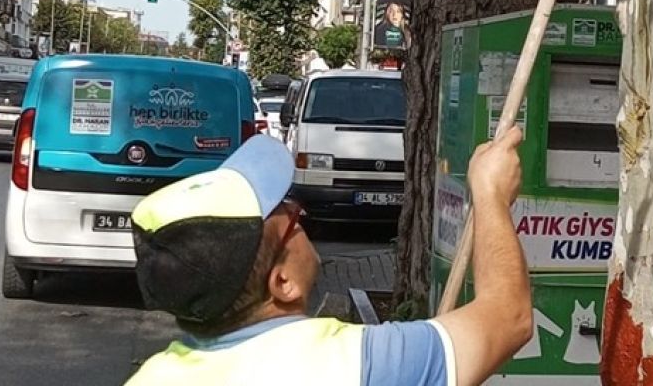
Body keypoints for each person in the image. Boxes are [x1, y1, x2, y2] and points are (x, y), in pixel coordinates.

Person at [126, 129, 532, 385]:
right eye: (293, 217)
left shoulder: (151, 377)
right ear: (282, 282)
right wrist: (491, 195)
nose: (301, 216)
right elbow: (508, 317)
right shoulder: (355, 365)